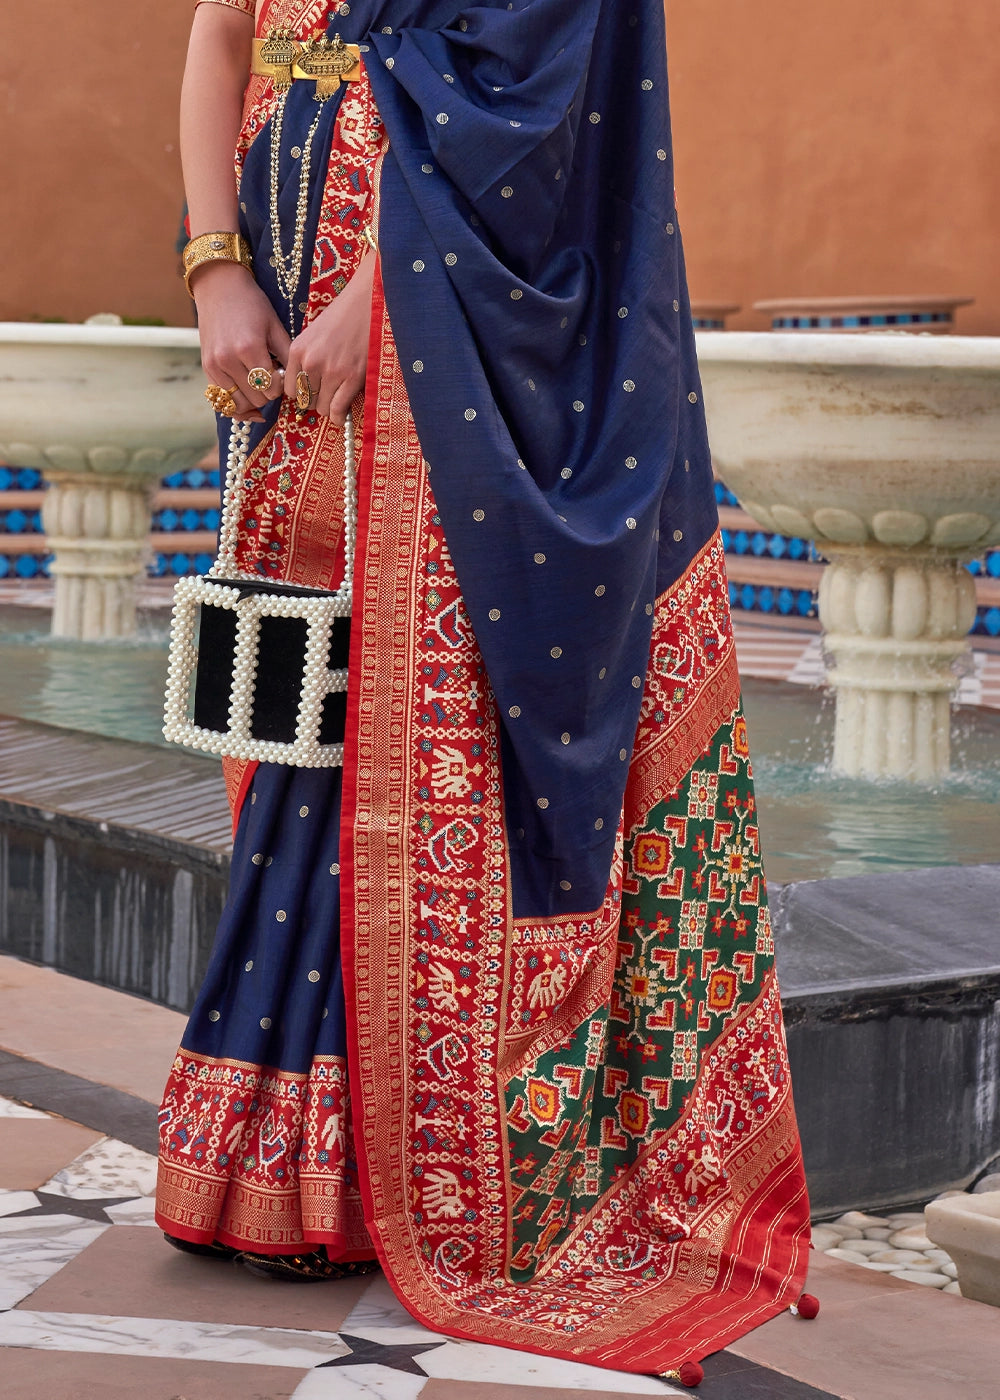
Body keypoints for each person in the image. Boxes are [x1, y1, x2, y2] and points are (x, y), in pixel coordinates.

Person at [156, 0, 813, 1379]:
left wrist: (372, 298)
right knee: (301, 724)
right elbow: (225, 27)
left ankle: (432, 1164)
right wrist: (217, 266)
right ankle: (274, 1154)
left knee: (414, 731)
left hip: (439, 343)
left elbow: (533, 115)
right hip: (278, 322)